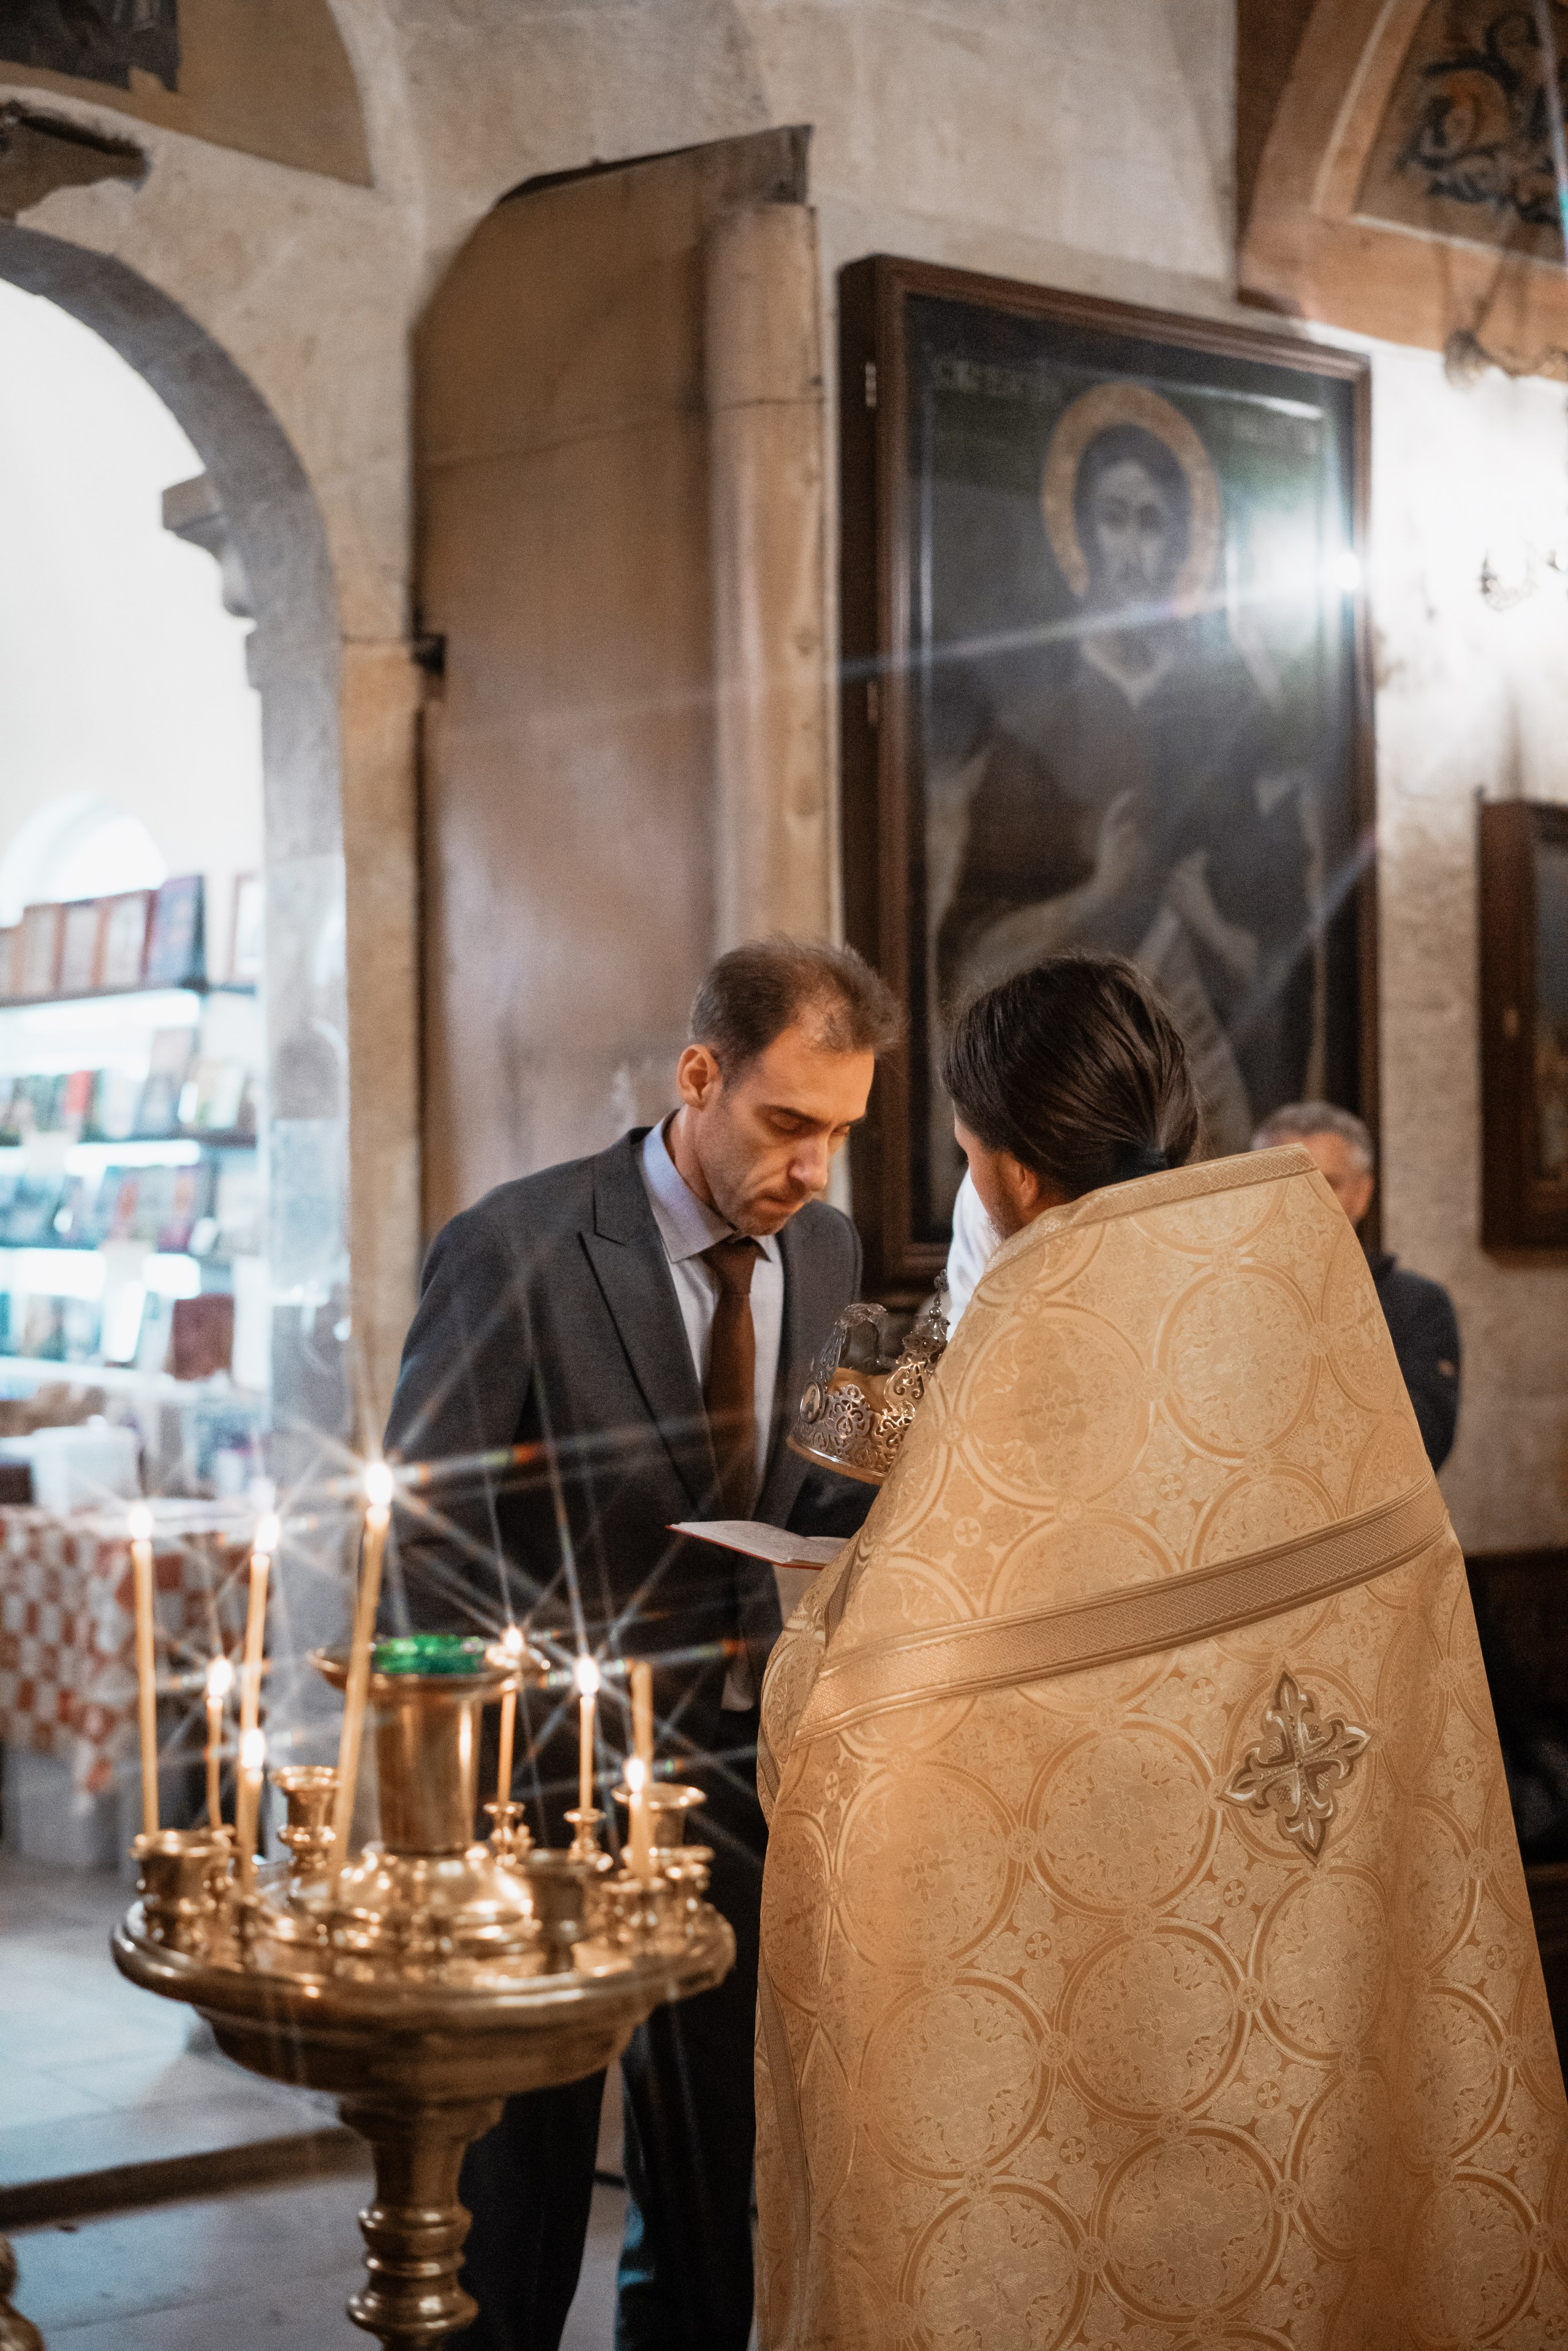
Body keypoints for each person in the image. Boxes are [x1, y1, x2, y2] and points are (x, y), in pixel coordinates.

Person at [755, 953, 1567, 2351]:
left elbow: (857, 1696)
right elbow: (1351, 1648)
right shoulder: (1283, 1313)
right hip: (1273, 1928)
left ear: (999, 1167)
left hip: (1038, 1940)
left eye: (961, 1151)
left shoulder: (939, 1334)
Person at [382, 937, 901, 2351]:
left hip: (733, 1776)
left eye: (840, 1133)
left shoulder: (833, 1249)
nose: (812, 1167)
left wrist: (872, 1501)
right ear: (697, 1076)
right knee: (526, 2179)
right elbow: (422, 1544)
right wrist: (482, 1778)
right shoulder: (517, 1245)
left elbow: (795, 1488)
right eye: (786, 1123)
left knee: (710, 2174)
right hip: (537, 1791)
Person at [934, 394, 1316, 1171]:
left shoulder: (1229, 714)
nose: (1130, 552)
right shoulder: (1035, 721)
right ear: (1078, 531)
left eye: (1152, 523)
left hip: (1208, 1085)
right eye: (1113, 519)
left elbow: (1286, 945)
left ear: (1181, 541)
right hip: (1070, 1093)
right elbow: (970, 957)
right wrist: (1097, 894)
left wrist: (1206, 920)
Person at [1251, 1100, 1461, 1472]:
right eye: (1281, 1182)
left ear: (1362, 1195)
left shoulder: (1418, 1305)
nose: (1302, 1200)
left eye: (1325, 1183)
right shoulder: (1221, 1302)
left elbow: (1424, 1445)